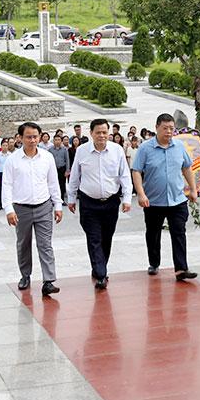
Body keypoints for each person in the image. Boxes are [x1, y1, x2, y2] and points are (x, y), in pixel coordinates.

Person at [130, 113, 198, 282]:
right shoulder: (145, 148)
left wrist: (193, 189)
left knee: (179, 233)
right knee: (153, 234)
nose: (168, 132)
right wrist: (140, 193)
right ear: (157, 128)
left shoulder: (179, 146)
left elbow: (187, 168)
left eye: (171, 129)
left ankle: (181, 268)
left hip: (177, 199)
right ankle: (154, 262)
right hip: (153, 201)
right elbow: (136, 170)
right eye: (165, 128)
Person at [67, 118, 133, 290]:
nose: (102, 136)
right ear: (91, 133)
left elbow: (125, 176)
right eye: (98, 132)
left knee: (106, 238)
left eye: (105, 132)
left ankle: (99, 267)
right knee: (94, 237)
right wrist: (71, 198)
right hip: (89, 203)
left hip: (111, 202)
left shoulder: (117, 150)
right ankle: (101, 273)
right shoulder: (82, 151)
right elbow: (74, 176)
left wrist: (126, 198)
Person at [1, 122, 63, 296]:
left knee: (45, 244)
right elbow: (6, 186)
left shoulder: (47, 157)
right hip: (21, 208)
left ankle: (49, 280)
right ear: (20, 138)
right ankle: (25, 275)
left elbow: (53, 183)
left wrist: (57, 205)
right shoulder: (12, 160)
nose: (32, 140)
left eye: (35, 136)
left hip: (44, 206)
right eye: (28, 137)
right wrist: (8, 210)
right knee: (23, 244)